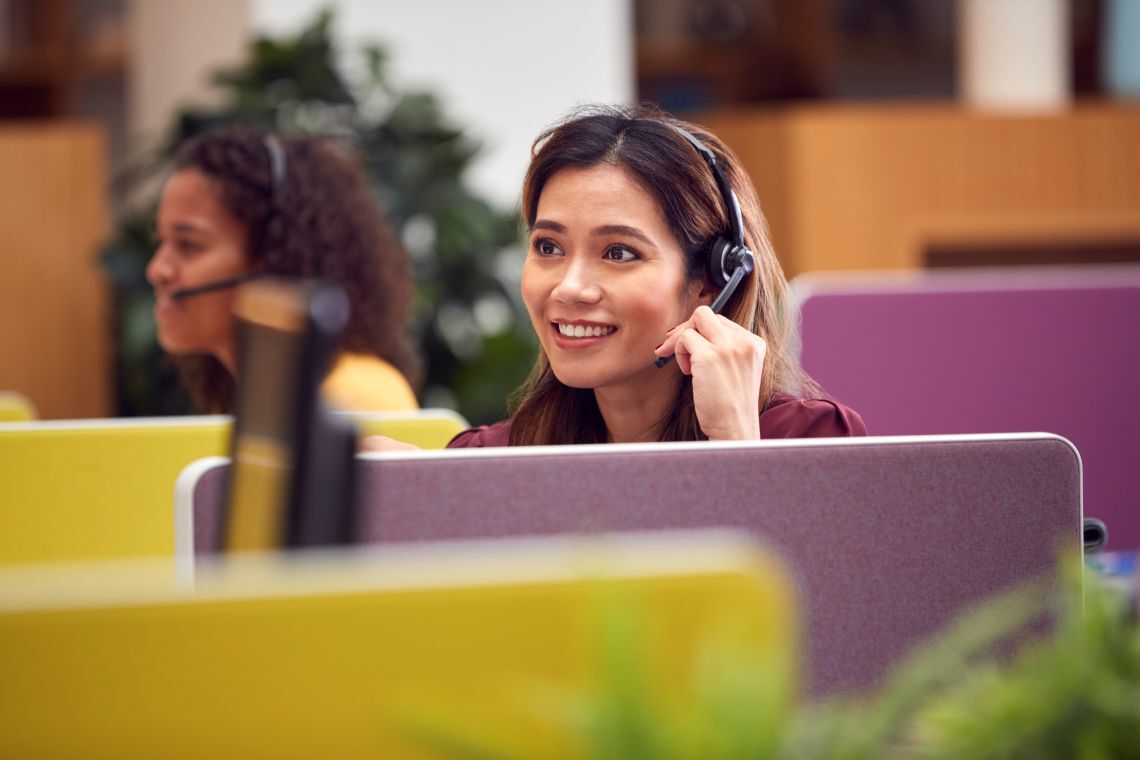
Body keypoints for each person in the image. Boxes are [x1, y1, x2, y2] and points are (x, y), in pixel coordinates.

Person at [366, 103, 865, 451]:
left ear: (713, 280)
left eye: (619, 252)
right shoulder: (501, 459)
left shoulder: (811, 442)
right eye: (549, 247)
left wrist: (733, 442)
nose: (569, 287)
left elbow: (806, 602)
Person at [146, 127, 420, 414]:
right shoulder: (251, 404)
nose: (156, 270)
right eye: (160, 242)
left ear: (273, 259)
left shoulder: (349, 399)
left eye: (189, 245)